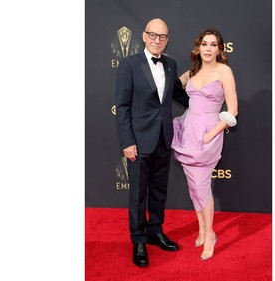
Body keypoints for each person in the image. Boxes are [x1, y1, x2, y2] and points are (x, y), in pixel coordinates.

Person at [115, 18, 189, 267]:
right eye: (153, 35)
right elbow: (123, 106)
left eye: (163, 36)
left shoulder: (171, 64)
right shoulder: (129, 65)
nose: (158, 40)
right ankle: (138, 239)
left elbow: (180, 95)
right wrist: (127, 141)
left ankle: (156, 231)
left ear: (167, 39)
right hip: (138, 139)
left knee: (159, 189)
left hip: (163, 137)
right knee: (138, 193)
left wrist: (207, 102)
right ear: (144, 36)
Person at [171, 29, 238, 261]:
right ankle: (201, 229)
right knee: (193, 187)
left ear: (220, 49)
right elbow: (171, 85)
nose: (208, 49)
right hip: (188, 130)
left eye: (213, 45)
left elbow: (233, 110)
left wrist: (213, 133)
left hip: (208, 132)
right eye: (204, 44)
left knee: (201, 186)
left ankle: (210, 234)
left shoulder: (224, 71)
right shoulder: (193, 71)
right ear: (198, 47)